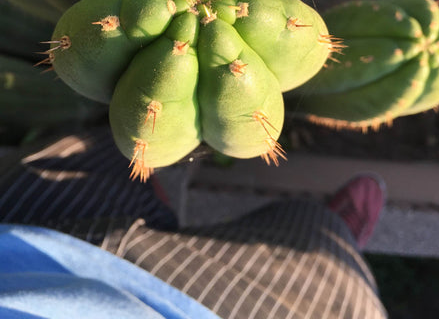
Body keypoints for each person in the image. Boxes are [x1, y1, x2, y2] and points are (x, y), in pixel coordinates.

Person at [0, 127, 387, 318]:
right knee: (341, 284)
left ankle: (148, 194)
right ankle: (331, 232)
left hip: (32, 255)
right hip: (199, 306)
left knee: (90, 149)